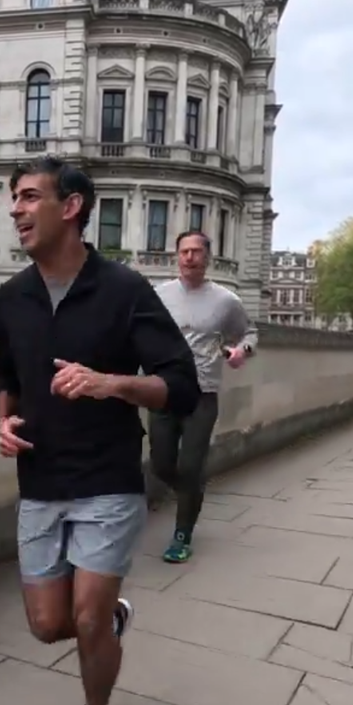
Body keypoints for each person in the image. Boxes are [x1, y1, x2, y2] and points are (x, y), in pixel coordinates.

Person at [0, 156, 201, 705]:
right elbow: (6, 375)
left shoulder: (124, 290)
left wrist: (109, 383)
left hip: (107, 481)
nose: (16, 210)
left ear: (72, 206)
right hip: (40, 484)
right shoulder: (11, 299)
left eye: (29, 197)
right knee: (49, 624)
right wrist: (1, 421)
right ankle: (108, 619)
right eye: (14, 200)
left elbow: (181, 386)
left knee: (82, 619)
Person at [150, 231, 258, 564]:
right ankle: (191, 490)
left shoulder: (226, 301)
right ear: (176, 256)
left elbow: (250, 333)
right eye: (183, 251)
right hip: (164, 390)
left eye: (196, 251)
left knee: (191, 464)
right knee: (161, 464)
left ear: (207, 257)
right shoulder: (158, 295)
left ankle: (182, 534)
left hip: (203, 394)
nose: (189, 257)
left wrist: (242, 350)